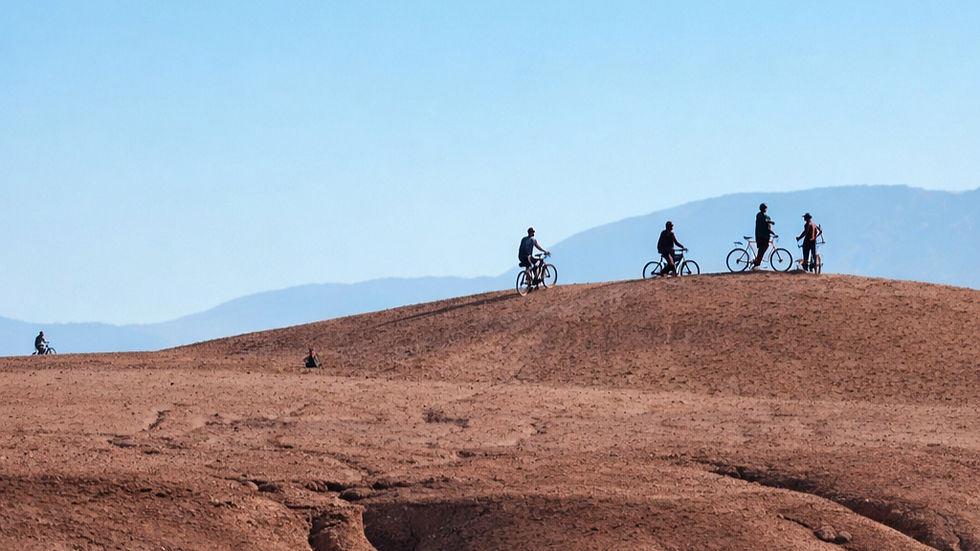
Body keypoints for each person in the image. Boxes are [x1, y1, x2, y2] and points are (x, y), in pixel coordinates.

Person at [752, 203, 777, 269]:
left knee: (761, 249)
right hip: (764, 236)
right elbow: (767, 225)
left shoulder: (758, 215)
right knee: (763, 248)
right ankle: (757, 262)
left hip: (759, 235)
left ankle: (757, 262)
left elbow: (766, 225)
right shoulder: (764, 216)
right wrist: (773, 232)